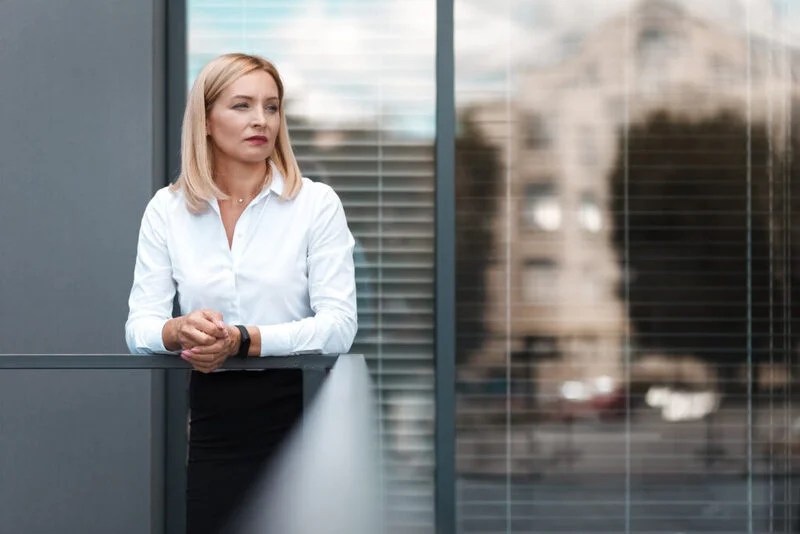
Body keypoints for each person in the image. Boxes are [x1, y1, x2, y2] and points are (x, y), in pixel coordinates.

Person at [124, 53, 358, 534]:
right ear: (206, 120)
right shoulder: (167, 210)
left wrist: (243, 339)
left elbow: (339, 327)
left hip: (304, 412)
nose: (261, 120)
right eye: (242, 105)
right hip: (216, 419)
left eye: (271, 107)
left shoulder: (315, 204)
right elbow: (138, 328)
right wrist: (178, 329)